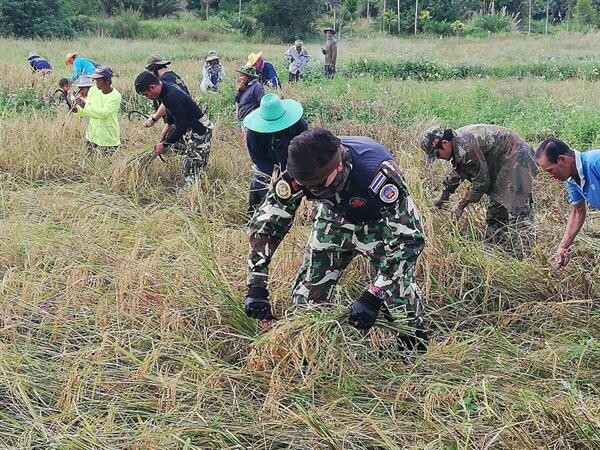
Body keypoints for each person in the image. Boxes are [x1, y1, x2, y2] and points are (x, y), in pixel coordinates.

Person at [245, 127, 427, 351]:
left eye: (319, 184)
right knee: (307, 299)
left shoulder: (377, 175)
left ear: (338, 164)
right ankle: (312, 352)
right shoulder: (300, 172)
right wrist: (256, 286)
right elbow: (267, 225)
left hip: (379, 224)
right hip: (334, 220)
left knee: (400, 298)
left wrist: (375, 294)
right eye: (307, 186)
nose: (312, 191)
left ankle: (412, 342)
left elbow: (411, 239)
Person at [420, 124, 538, 245]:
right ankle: (496, 248)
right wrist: (443, 197)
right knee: (495, 212)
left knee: (518, 213)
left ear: (444, 143)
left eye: (437, 154)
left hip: (518, 159)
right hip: (502, 164)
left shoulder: (467, 147)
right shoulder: (457, 145)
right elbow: (458, 171)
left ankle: (524, 252)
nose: (439, 158)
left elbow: (482, 182)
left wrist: (461, 205)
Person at [134, 71, 214, 184]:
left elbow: (182, 125)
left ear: (152, 87)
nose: (147, 97)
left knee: (191, 169)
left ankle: (193, 194)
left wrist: (165, 144)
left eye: (146, 94)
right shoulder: (165, 87)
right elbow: (171, 110)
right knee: (189, 159)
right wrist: (169, 124)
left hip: (200, 131)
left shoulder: (171, 96)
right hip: (190, 129)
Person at [535, 138, 600, 273]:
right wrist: (562, 248)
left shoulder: (595, 163)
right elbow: (578, 211)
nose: (551, 176)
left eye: (550, 170)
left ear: (562, 159)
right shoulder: (571, 179)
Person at [242, 93, 308, 213]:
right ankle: (256, 213)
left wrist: (290, 171)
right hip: (268, 168)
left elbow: (305, 150)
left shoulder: (298, 124)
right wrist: (274, 177)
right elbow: (257, 157)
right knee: (259, 186)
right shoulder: (253, 133)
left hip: (294, 164)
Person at [71, 66, 122, 156]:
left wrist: (84, 106)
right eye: (95, 80)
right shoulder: (93, 90)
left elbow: (103, 113)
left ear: (107, 81)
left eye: (99, 80)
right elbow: (89, 110)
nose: (96, 83)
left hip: (108, 139)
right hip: (92, 135)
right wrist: (77, 110)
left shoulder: (115, 96)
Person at [144, 54, 190, 129]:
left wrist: (154, 119)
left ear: (154, 69)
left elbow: (167, 103)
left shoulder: (165, 80)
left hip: (182, 121)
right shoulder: (174, 76)